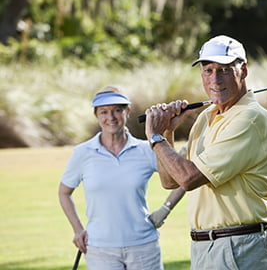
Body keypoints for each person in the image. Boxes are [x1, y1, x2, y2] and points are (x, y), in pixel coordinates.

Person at [145, 35, 267, 270]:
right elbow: (170, 180)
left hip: (237, 246)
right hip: (205, 245)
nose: (215, 79)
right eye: (208, 70)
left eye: (224, 70)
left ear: (244, 70)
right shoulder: (206, 117)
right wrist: (166, 132)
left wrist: (155, 137)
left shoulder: (251, 118)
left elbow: (188, 178)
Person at [58, 86, 183, 270]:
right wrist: (77, 230)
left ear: (127, 112)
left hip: (144, 246)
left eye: (118, 110)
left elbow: (180, 177)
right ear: (96, 115)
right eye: (104, 112)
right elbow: (64, 192)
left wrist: (165, 210)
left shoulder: (146, 149)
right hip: (100, 249)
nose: (111, 117)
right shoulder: (83, 153)